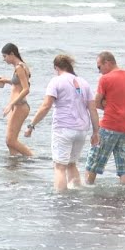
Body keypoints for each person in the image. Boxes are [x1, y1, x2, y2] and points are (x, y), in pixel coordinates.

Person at [24, 54, 100, 192]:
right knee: (72, 164)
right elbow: (93, 109)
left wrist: (31, 125)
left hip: (64, 129)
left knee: (59, 166)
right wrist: (96, 132)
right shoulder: (84, 82)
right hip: (82, 130)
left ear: (56, 67)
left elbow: (46, 106)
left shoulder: (56, 81)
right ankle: (76, 195)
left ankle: (61, 200)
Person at [85, 51, 125, 185]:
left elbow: (96, 103)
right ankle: (124, 197)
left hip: (109, 126)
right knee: (124, 168)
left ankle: (88, 194)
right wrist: (109, 103)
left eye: (99, 67)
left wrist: (106, 104)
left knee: (93, 164)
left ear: (107, 63)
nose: (99, 71)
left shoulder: (105, 79)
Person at [0, 42, 33, 157]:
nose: (4, 59)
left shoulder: (19, 68)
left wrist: (11, 104)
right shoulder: (22, 66)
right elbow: (19, 83)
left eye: (5, 56)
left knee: (10, 140)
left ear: (12, 54)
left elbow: (26, 89)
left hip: (20, 105)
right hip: (18, 105)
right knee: (10, 143)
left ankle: (32, 158)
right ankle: (13, 166)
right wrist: (6, 81)